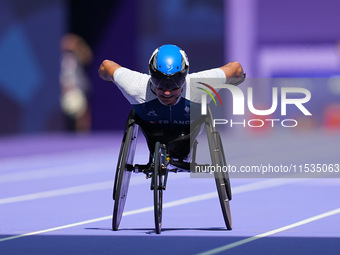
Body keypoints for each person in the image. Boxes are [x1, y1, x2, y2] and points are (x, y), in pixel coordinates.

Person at [98, 44, 245, 158]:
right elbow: (105, 66)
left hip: (187, 133)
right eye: (159, 83)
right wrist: (114, 80)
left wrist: (234, 80)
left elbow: (236, 69)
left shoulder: (200, 85)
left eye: (175, 83)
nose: (167, 91)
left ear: (185, 77)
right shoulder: (136, 86)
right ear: (151, 75)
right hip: (152, 132)